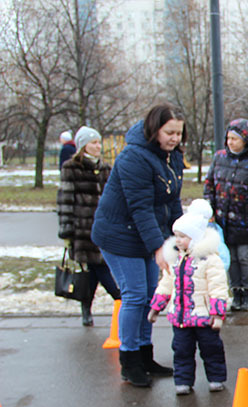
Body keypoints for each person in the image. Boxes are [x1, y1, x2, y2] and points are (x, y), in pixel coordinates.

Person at [91, 103, 185, 387]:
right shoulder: (134, 157)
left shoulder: (171, 156)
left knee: (148, 295)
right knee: (133, 296)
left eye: (179, 133)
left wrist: (180, 234)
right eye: (169, 132)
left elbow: (172, 200)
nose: (174, 138)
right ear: (154, 128)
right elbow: (140, 207)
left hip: (144, 233)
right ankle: (129, 361)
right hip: (119, 235)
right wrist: (159, 247)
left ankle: (146, 356)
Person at [148, 212, 228, 395]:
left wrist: (217, 314)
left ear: (196, 238)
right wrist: (155, 307)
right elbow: (166, 284)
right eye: (176, 236)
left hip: (204, 317)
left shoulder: (210, 260)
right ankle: (183, 381)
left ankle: (216, 378)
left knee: (211, 349)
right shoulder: (175, 260)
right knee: (181, 350)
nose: (178, 241)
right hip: (180, 318)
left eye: (183, 236)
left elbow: (218, 288)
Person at [57, 126, 121, 326]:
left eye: (99, 142)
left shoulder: (105, 168)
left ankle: (86, 308)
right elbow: (66, 200)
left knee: (93, 270)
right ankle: (119, 298)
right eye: (93, 143)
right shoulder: (71, 168)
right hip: (82, 229)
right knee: (99, 267)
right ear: (83, 146)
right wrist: (67, 230)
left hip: (104, 228)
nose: (98, 146)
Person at [203, 118, 248, 311]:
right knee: (229, 258)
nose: (230, 142)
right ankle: (235, 292)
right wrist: (209, 210)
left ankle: (246, 293)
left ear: (245, 140)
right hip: (222, 219)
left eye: (235, 139)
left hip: (244, 220)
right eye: (228, 138)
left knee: (243, 257)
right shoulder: (219, 158)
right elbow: (209, 185)